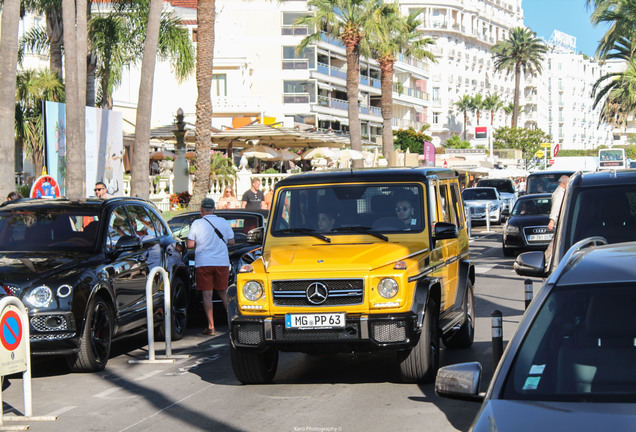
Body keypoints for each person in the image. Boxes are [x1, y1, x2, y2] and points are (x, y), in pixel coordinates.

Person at [186, 198, 235, 336]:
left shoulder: (197, 223)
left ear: (201, 210)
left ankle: (211, 326)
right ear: (214, 209)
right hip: (221, 262)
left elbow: (190, 245)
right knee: (223, 292)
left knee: (207, 294)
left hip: (204, 263)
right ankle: (232, 323)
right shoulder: (223, 222)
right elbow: (231, 242)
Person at [544, 175, 570, 265]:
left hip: (560, 220)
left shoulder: (562, 191)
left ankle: (548, 258)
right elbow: (555, 207)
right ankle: (546, 259)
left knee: (557, 240)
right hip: (560, 220)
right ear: (565, 182)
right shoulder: (559, 193)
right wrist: (551, 220)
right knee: (555, 241)